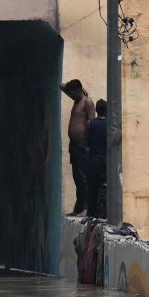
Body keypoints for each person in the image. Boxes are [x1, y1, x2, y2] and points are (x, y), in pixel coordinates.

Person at [64, 79, 96, 216]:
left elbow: (90, 121)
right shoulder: (76, 100)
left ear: (77, 90)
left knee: (83, 177)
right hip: (75, 145)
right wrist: (80, 90)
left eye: (72, 93)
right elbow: (61, 86)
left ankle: (86, 208)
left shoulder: (87, 102)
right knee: (77, 177)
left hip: (83, 145)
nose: (70, 96)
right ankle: (78, 207)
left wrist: (88, 143)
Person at [88, 99, 111, 221]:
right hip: (106, 161)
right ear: (107, 111)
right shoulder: (110, 125)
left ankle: (91, 214)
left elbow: (86, 140)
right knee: (105, 187)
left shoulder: (91, 124)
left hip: (94, 160)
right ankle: (103, 214)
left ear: (96, 110)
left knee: (92, 187)